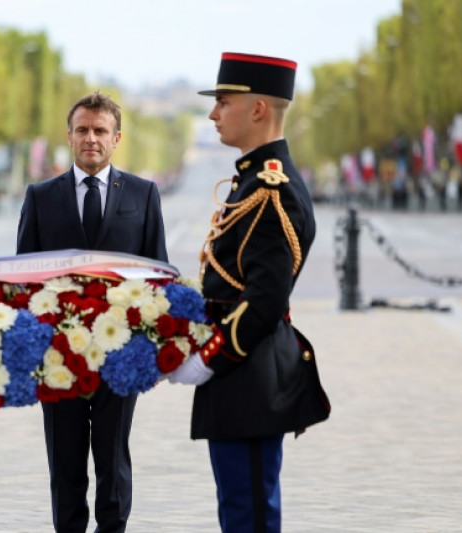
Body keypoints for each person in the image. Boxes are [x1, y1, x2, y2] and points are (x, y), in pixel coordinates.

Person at [168, 52, 331, 533]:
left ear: (257, 109)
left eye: (222, 102)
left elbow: (264, 301)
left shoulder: (270, 190)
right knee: (239, 510)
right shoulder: (252, 181)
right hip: (243, 380)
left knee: (250, 517)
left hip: (248, 376)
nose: (214, 114)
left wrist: (209, 356)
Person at [16, 91, 168, 533]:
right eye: (82, 130)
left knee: (113, 463)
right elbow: (24, 280)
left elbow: (157, 278)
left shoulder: (143, 194)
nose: (91, 138)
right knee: (65, 466)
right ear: (69, 136)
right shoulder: (41, 197)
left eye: (100, 131)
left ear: (116, 137)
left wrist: (153, 351)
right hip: (57, 357)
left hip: (121, 357)